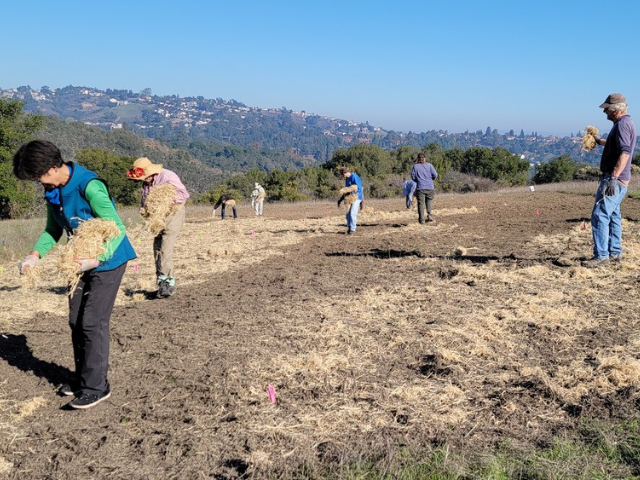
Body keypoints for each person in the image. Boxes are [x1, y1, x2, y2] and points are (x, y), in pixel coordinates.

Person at [13, 140, 137, 409]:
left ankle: (97, 386)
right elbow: (52, 230)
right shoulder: (52, 190)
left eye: (38, 177)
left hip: (109, 260)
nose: (38, 182)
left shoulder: (89, 185)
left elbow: (117, 228)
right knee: (75, 321)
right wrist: (34, 255)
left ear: (54, 167)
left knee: (92, 322)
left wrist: (97, 258)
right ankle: (83, 378)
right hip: (77, 261)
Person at [582, 93, 636, 268]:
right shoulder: (624, 124)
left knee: (599, 215)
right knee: (613, 215)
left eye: (607, 109)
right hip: (620, 179)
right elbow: (616, 145)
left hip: (614, 179)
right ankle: (614, 252)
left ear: (615, 110)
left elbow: (625, 152)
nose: (605, 113)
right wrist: (599, 141)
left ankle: (601, 256)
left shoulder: (622, 126)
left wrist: (613, 177)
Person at [127, 157, 189, 297]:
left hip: (173, 214)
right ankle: (161, 280)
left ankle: (167, 282)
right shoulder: (146, 184)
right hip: (157, 218)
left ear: (152, 172)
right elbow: (144, 200)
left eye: (145, 177)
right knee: (157, 247)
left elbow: (184, 195)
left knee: (166, 248)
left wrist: (164, 201)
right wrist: (145, 210)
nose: (144, 180)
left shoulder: (168, 177)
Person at [411, 152, 438, 224]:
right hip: (430, 186)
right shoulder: (429, 165)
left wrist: (418, 180)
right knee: (429, 201)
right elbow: (435, 174)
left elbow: (413, 177)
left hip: (420, 187)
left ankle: (422, 220)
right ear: (425, 158)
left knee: (421, 204)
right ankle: (429, 215)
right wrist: (431, 179)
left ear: (418, 159)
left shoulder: (415, 167)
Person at [339, 167, 363, 235]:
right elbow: (347, 188)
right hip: (349, 197)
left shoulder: (354, 177)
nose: (342, 176)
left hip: (356, 197)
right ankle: (349, 227)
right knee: (347, 213)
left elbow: (359, 188)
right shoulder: (347, 178)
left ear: (344, 173)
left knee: (352, 213)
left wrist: (354, 194)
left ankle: (353, 229)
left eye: (342, 174)